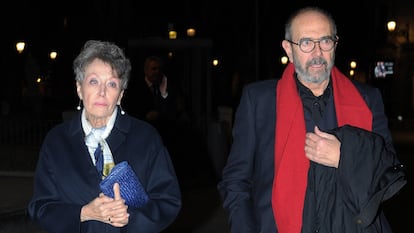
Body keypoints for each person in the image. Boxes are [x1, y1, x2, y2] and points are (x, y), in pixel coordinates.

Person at [217, 6, 406, 233]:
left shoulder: (367, 99)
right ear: (289, 48)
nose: (317, 53)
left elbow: (391, 170)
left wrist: (345, 157)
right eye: (306, 43)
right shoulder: (258, 101)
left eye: (325, 41)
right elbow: (236, 181)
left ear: (335, 44)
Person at [28, 40, 181, 233]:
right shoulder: (56, 141)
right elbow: (41, 208)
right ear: (79, 88)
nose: (102, 92)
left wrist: (130, 218)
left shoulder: (146, 138)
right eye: (93, 81)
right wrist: (83, 213)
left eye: (111, 83)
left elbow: (168, 201)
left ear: (120, 95)